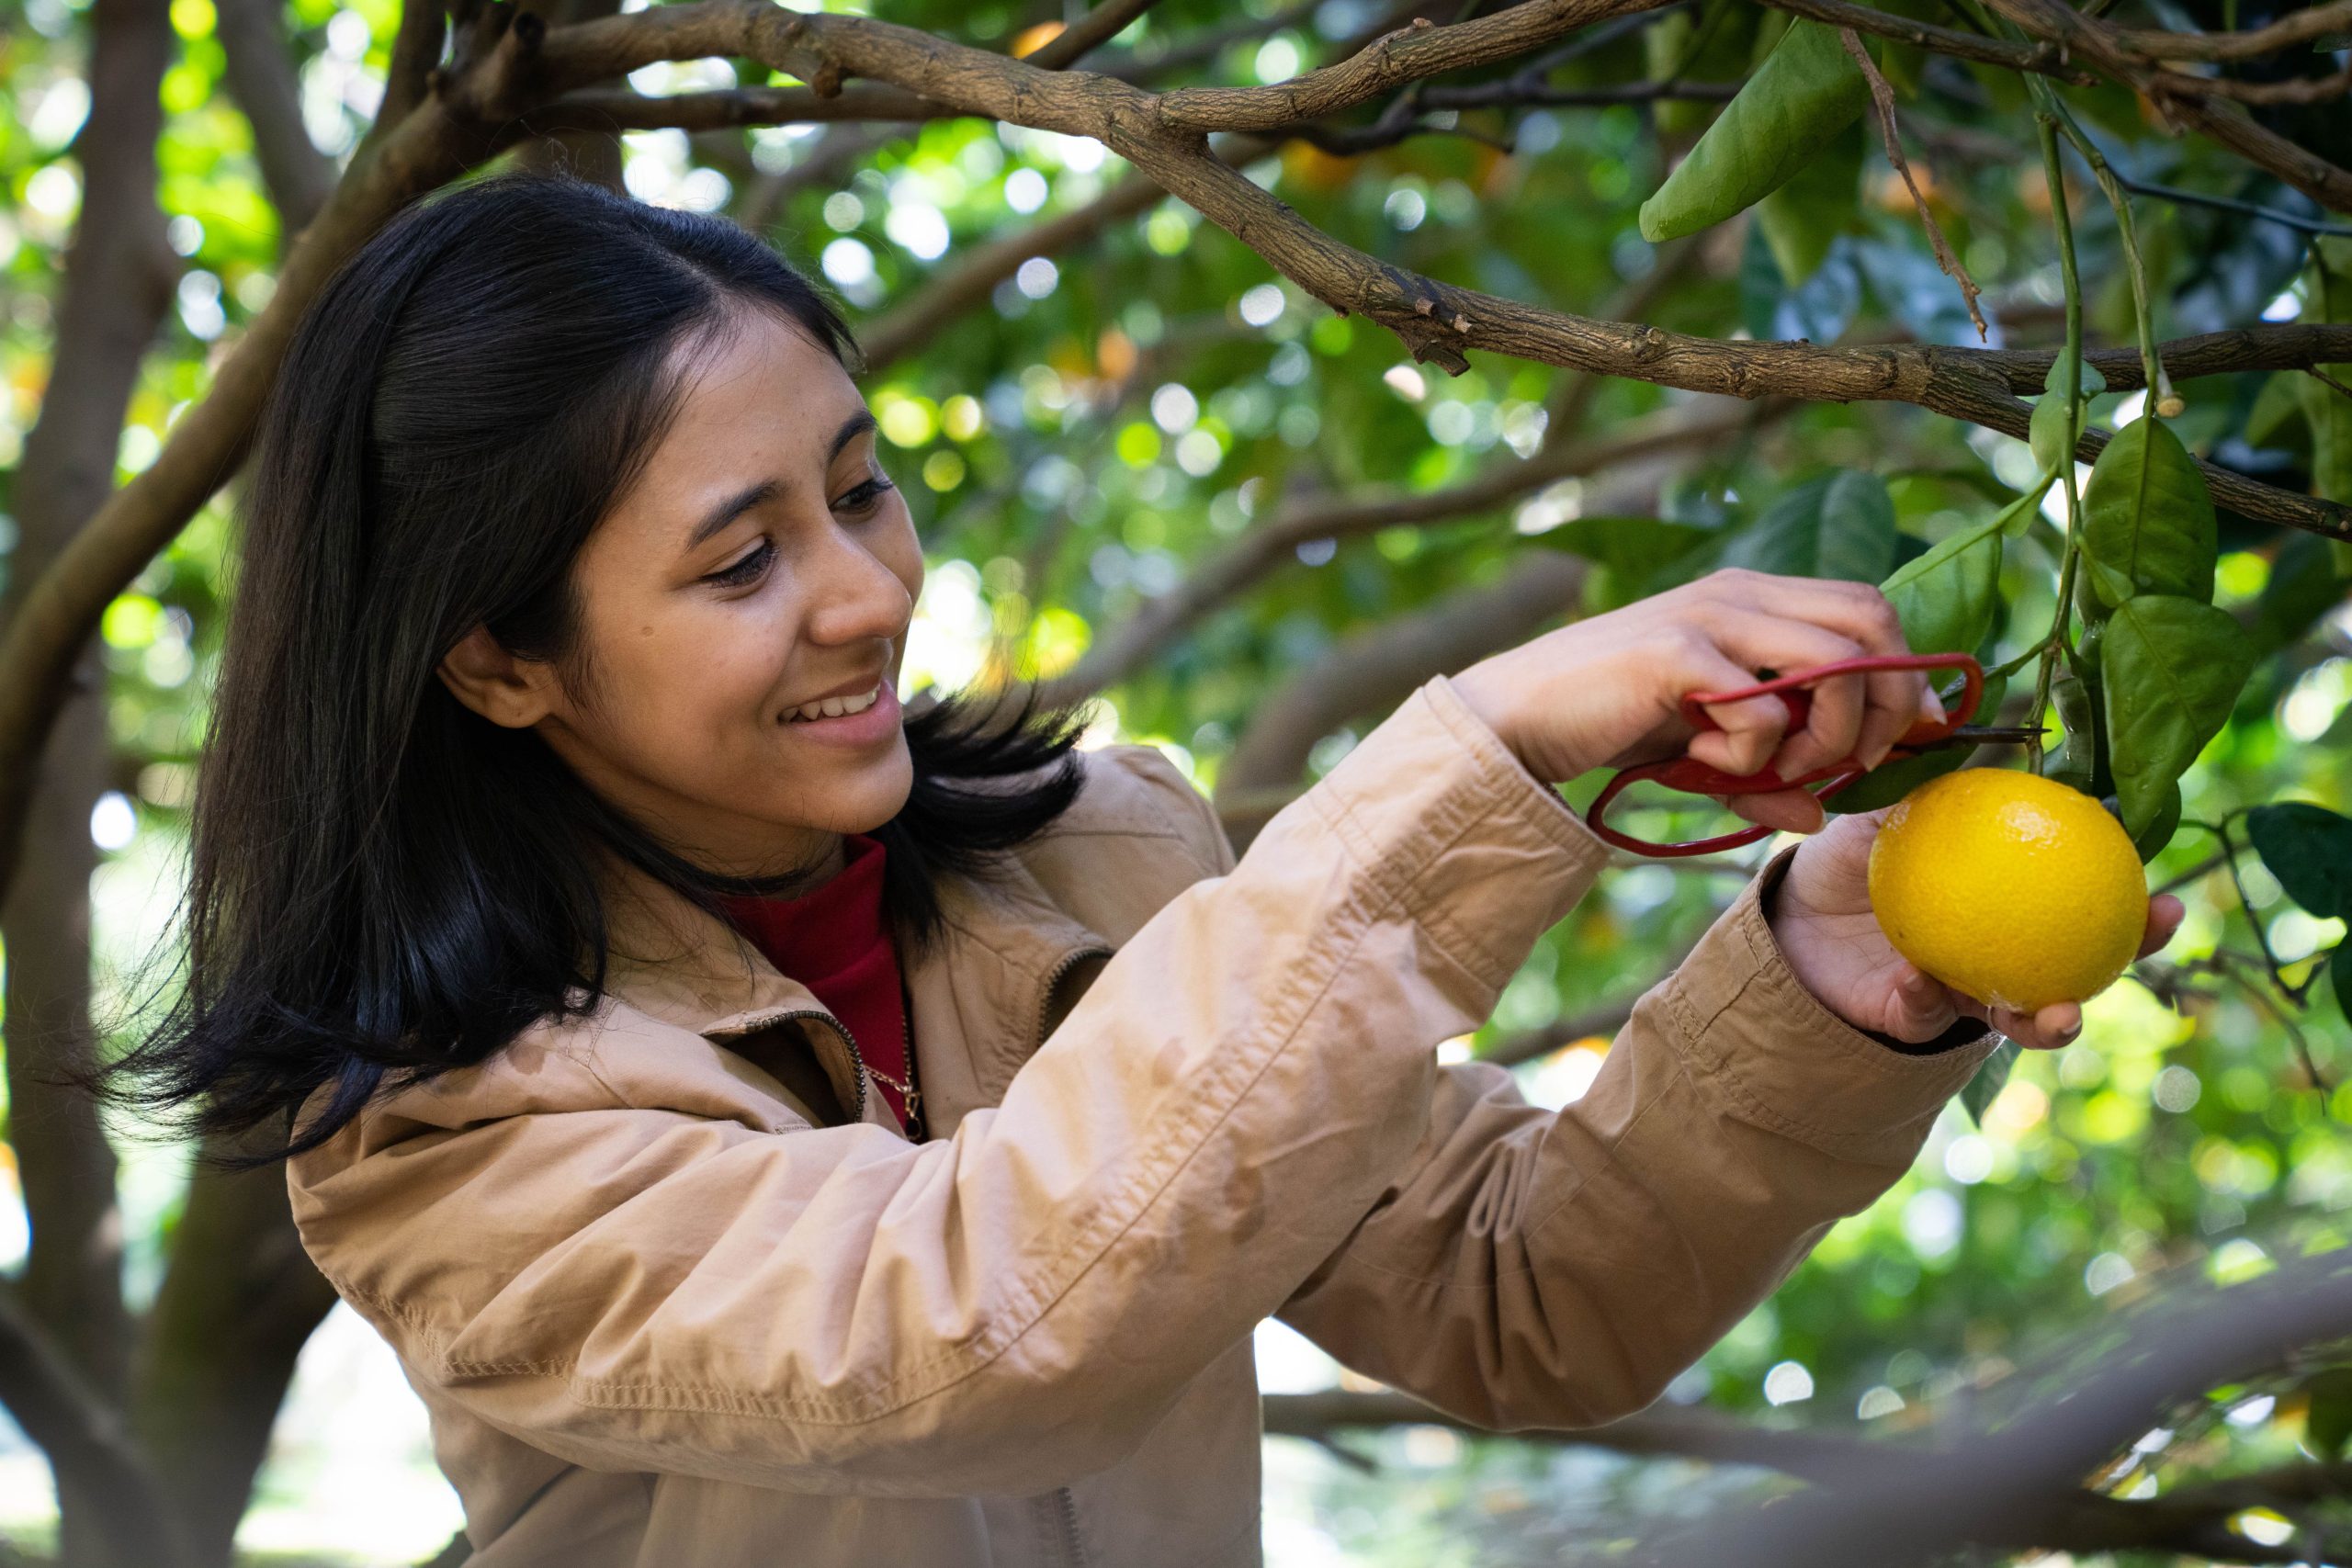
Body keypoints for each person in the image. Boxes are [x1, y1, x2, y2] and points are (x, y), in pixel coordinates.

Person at [112, 175, 2178, 1566]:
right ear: (494, 655)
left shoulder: (1102, 866)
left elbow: (1518, 1290)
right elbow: (973, 1315)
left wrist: (1820, 973)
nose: (863, 598)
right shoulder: (448, 1133)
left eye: (861, 491)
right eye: (741, 558)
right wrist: (1487, 748)